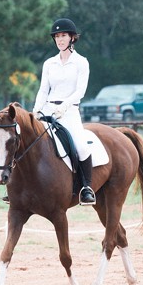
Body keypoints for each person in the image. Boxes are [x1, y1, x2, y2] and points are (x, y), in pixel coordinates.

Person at [32, 18, 96, 205]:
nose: (60, 40)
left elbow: (80, 91)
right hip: (48, 109)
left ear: (72, 38)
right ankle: (19, 187)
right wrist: (36, 110)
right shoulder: (49, 63)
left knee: (82, 147)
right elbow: (43, 90)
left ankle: (86, 188)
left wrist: (65, 106)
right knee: (27, 140)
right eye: (57, 36)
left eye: (63, 36)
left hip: (69, 112)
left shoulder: (81, 62)